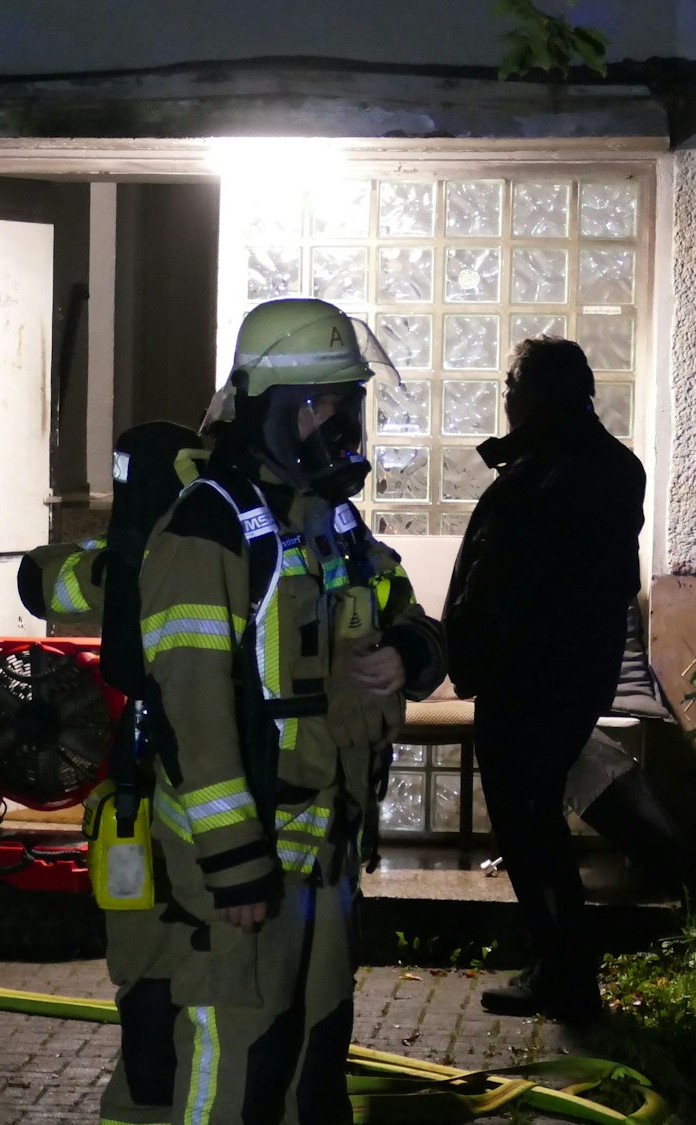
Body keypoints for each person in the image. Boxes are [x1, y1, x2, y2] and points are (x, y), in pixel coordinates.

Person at [140, 298, 445, 1124]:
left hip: (324, 850)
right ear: (279, 407)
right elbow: (195, 710)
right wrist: (235, 860)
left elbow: (410, 613)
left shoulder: (329, 518)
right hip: (244, 855)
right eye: (326, 404)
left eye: (348, 403)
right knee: (235, 1043)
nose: (341, 424)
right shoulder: (212, 521)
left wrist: (405, 653)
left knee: (314, 1044)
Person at [444, 336, 645, 1021]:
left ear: (537, 395)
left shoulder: (546, 477)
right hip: (569, 676)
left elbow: (506, 587)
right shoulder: (608, 468)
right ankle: (559, 965)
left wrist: (472, 658)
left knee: (529, 826)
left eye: (511, 386)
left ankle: (564, 973)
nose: (505, 398)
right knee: (535, 823)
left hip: (529, 682)